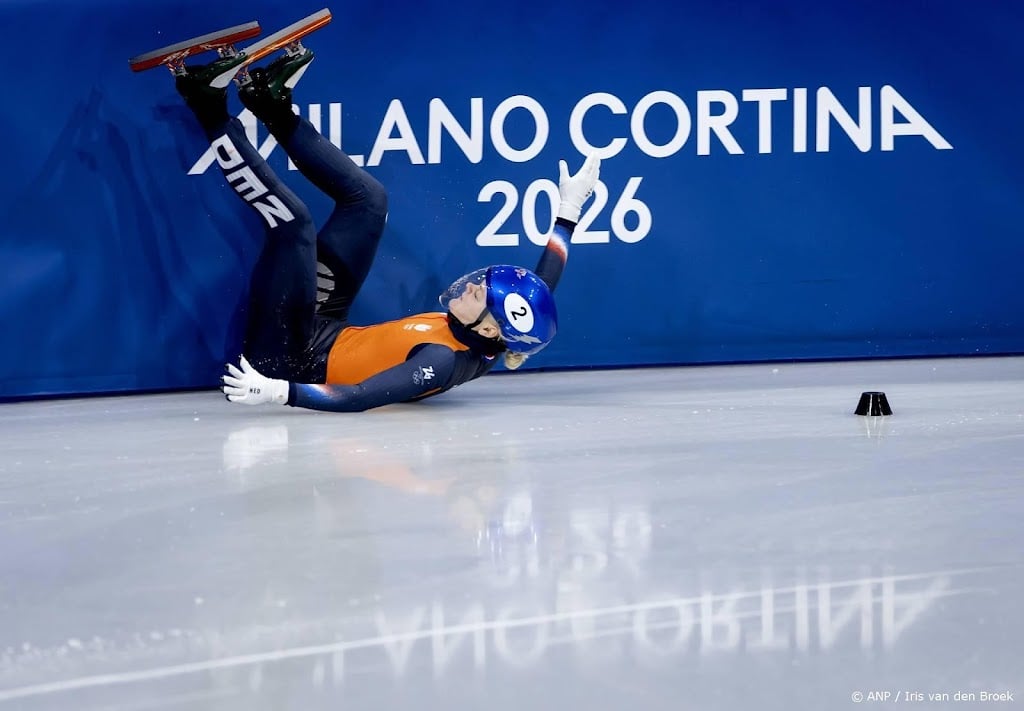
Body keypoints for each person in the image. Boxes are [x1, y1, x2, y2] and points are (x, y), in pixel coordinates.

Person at [173, 43, 600, 413]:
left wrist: (279, 392)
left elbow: (358, 397)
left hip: (287, 357)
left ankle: (206, 105)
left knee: (294, 223)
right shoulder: (498, 331)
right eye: (481, 285)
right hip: (326, 327)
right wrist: (568, 211)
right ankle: (270, 104)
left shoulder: (442, 359)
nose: (471, 287)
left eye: (479, 295)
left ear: (488, 329)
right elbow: (538, 290)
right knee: (369, 202)